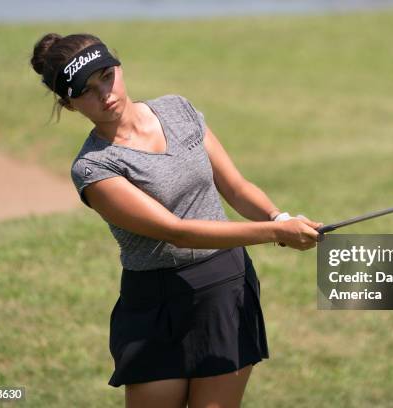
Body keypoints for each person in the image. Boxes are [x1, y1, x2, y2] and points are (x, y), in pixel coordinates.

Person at [30, 32, 323, 408]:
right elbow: (177, 232)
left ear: (118, 67)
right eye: (86, 90)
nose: (104, 93)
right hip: (153, 305)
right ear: (69, 105)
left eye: (106, 75)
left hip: (223, 288)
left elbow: (235, 187)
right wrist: (275, 232)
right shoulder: (94, 168)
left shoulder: (177, 110)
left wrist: (278, 216)